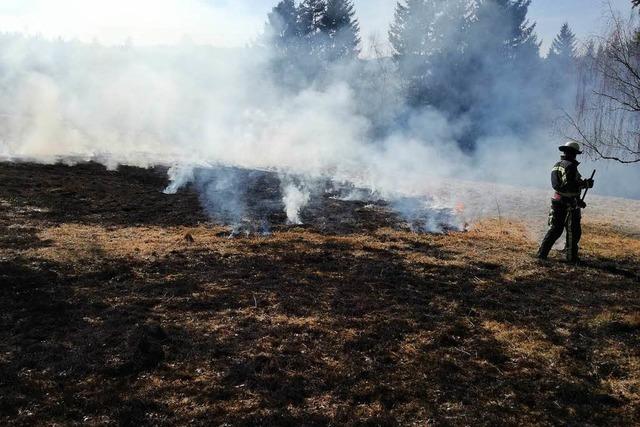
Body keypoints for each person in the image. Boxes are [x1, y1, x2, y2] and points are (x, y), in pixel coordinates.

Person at [537, 141, 594, 263]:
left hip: (558, 201)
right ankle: (571, 258)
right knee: (573, 232)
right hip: (568, 205)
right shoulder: (570, 166)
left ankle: (542, 254)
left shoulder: (557, 165)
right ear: (573, 153)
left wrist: (578, 199)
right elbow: (570, 186)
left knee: (555, 230)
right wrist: (585, 184)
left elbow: (560, 186)